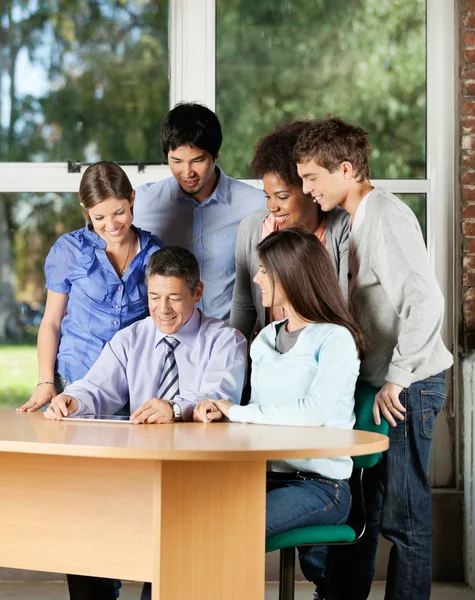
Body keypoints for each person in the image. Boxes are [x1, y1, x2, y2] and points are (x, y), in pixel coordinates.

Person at [294, 117, 454, 600]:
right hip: (381, 385)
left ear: (346, 169)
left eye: (312, 179)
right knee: (364, 514)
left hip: (407, 387)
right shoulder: (352, 221)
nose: (306, 189)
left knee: (406, 523)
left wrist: (398, 379)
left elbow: (426, 302)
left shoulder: (385, 215)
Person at [46, 246, 247, 600]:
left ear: (197, 293)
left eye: (174, 298)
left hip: (198, 481)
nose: (162, 310)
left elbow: (216, 396)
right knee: (80, 526)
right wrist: (74, 399)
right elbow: (97, 388)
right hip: (137, 475)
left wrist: (174, 407)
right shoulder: (131, 338)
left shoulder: (225, 340)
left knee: (171, 546)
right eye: (154, 297)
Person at [193, 228, 364, 600]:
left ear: (289, 274)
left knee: (231, 530)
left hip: (321, 485)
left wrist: (237, 412)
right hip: (265, 475)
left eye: (263, 270)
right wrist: (222, 414)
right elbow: (260, 413)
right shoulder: (265, 338)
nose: (256, 279)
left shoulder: (335, 339)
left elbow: (313, 412)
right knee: (187, 519)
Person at [18, 161, 163, 414]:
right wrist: (45, 381)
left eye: (119, 212)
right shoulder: (69, 250)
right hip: (74, 380)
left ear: (132, 199)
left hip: (130, 385)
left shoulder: (155, 252)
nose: (112, 225)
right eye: (99, 217)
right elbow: (51, 321)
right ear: (86, 210)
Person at [133, 102, 266, 321]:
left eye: (198, 160)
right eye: (176, 161)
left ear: (216, 154)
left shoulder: (255, 205)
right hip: (162, 344)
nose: (187, 172)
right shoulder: (142, 204)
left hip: (229, 343)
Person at [230, 121, 349, 342]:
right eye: (268, 196)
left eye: (282, 196)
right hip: (273, 356)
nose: (272, 206)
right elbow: (244, 303)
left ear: (309, 188)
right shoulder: (252, 229)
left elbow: (345, 307)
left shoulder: (341, 227)